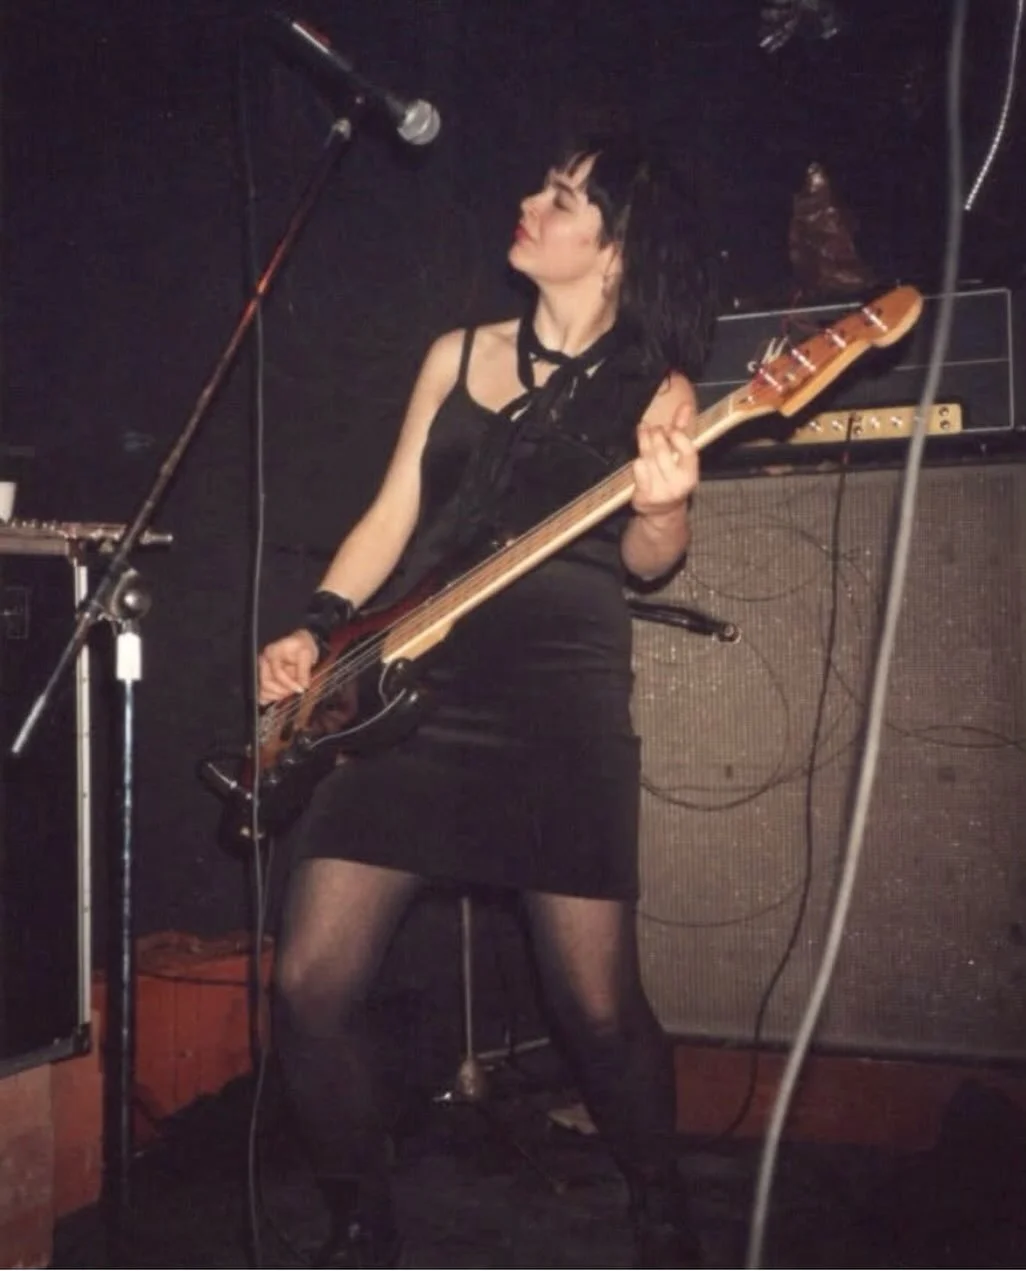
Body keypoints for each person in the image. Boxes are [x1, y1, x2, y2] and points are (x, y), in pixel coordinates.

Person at [258, 132, 715, 1269]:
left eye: (561, 198)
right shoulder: (456, 354)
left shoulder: (657, 387)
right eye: (543, 185)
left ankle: (661, 1205)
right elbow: (391, 516)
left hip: (558, 702)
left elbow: (651, 560)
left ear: (615, 251)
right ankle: (362, 1223)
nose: (530, 203)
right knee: (309, 982)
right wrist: (317, 625)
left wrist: (664, 505)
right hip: (411, 691)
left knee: (597, 1006)